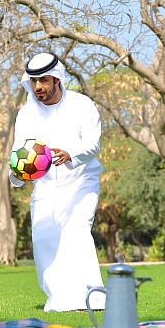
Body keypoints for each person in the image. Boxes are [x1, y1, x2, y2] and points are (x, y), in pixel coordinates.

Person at [10, 52, 106, 312]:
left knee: (76, 232)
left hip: (81, 180)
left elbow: (93, 144)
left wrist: (71, 155)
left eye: (43, 80)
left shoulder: (82, 104)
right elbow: (20, 152)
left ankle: (93, 299)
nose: (38, 87)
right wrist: (18, 174)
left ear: (57, 79)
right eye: (34, 82)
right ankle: (60, 300)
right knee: (43, 237)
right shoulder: (26, 114)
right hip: (45, 185)